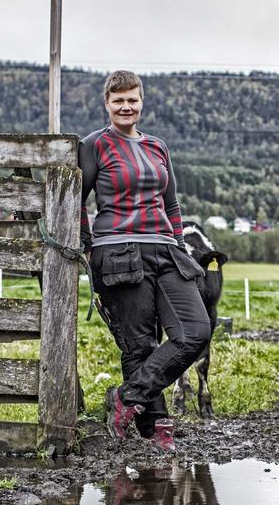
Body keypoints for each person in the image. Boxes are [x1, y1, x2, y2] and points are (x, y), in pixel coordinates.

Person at [79, 70, 210, 452]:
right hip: (118, 250)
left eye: (132, 99)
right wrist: (88, 247)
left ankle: (125, 398)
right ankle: (156, 429)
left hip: (165, 249)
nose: (125, 106)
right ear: (107, 103)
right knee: (139, 345)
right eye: (118, 100)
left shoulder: (158, 146)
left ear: (142, 102)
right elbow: (77, 201)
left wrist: (177, 243)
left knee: (195, 331)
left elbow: (171, 204)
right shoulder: (94, 145)